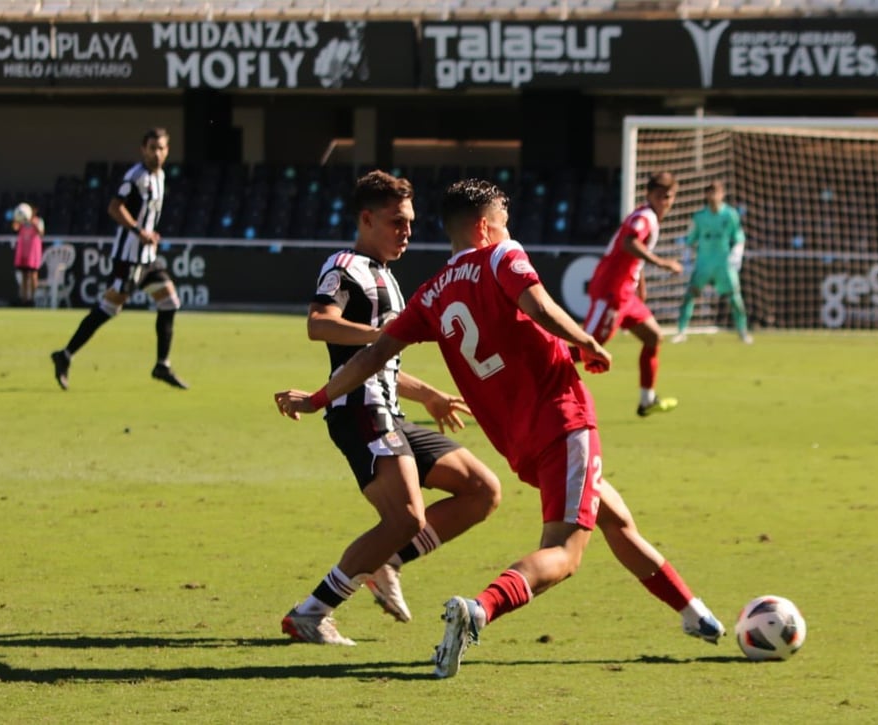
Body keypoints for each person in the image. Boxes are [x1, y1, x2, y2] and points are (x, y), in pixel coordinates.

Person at [275, 178, 725, 679]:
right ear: (487, 227)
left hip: (522, 443)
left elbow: (376, 354)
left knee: (612, 518)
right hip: (563, 418)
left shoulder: (429, 293)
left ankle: (695, 615)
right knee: (565, 551)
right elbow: (539, 307)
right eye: (504, 224)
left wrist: (318, 397)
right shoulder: (500, 256)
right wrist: (587, 343)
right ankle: (478, 610)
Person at [279, 170, 502, 645]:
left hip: (390, 410)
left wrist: (431, 396)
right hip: (359, 412)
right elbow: (320, 324)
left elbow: (385, 362)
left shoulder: (388, 278)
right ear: (366, 219)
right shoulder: (343, 266)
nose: (407, 232)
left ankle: (389, 563)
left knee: (482, 490)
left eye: (410, 222)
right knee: (405, 519)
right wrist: (380, 336)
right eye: (397, 222)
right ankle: (311, 612)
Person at [50, 127, 187, 391]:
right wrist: (139, 231)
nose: (156, 153)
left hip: (148, 257)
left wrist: (149, 234)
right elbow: (114, 207)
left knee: (170, 302)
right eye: (152, 148)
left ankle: (162, 365)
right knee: (109, 308)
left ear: (167, 151)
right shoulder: (136, 176)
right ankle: (65, 354)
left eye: (161, 148)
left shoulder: (160, 175)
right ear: (143, 150)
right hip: (129, 257)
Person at [582, 171, 685, 417]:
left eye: (669, 197)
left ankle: (647, 399)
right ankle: (531, 374)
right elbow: (630, 243)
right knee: (588, 347)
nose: (665, 202)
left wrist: (641, 285)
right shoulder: (644, 217)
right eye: (660, 196)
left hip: (627, 293)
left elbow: (632, 256)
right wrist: (662, 263)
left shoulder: (648, 218)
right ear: (649, 195)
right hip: (612, 291)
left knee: (653, 337)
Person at [672, 180, 752, 344]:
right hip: (704, 264)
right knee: (690, 295)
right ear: (706, 195)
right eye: (711, 192)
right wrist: (686, 258)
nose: (714, 196)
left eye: (717, 192)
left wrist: (737, 253)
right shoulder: (699, 217)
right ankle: (681, 331)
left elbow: (738, 237)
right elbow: (690, 239)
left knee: (735, 299)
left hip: (724, 264)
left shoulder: (730, 215)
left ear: (722, 194)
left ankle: (743, 332)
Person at [12, 202, 44, 307]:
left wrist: (34, 224)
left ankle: (33, 298)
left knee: (33, 275)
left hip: (33, 253)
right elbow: (15, 228)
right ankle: (24, 299)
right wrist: (17, 218)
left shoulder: (38, 221)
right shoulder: (22, 222)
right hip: (23, 252)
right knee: (24, 276)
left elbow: (41, 233)